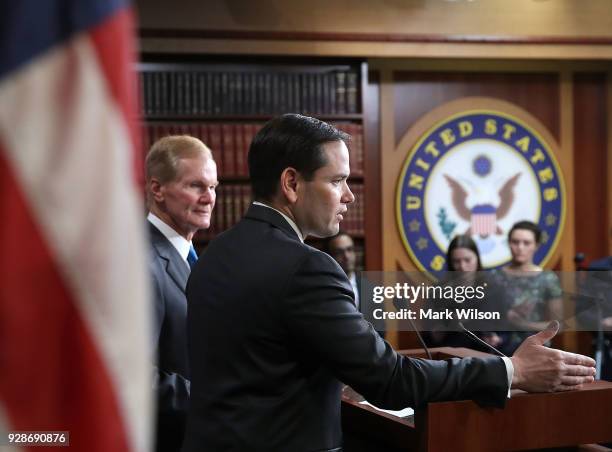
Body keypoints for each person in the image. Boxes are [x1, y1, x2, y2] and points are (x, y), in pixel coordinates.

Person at [183, 114, 594, 452]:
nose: (349, 196)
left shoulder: (213, 252)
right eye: (336, 180)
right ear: (291, 183)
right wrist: (512, 370)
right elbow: (392, 381)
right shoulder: (308, 268)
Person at [145, 135, 218, 452]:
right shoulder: (141, 261)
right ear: (157, 189)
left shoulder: (190, 256)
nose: (209, 198)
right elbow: (134, 378)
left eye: (213, 187)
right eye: (196, 186)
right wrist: (220, 400)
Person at [490, 220, 563, 355]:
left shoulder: (547, 278)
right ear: (509, 243)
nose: (520, 247)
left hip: (536, 352)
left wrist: (522, 324)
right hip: (498, 351)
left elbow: (558, 326)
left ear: (536, 245)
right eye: (515, 242)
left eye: (526, 243)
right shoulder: (494, 277)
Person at [424, 234, 506, 352]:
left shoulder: (494, 290)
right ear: (450, 262)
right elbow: (428, 336)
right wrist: (442, 329)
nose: (462, 266)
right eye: (456, 261)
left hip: (485, 357)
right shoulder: (438, 291)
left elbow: (505, 330)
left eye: (467, 260)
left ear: (477, 259)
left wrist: (497, 339)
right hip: (449, 355)